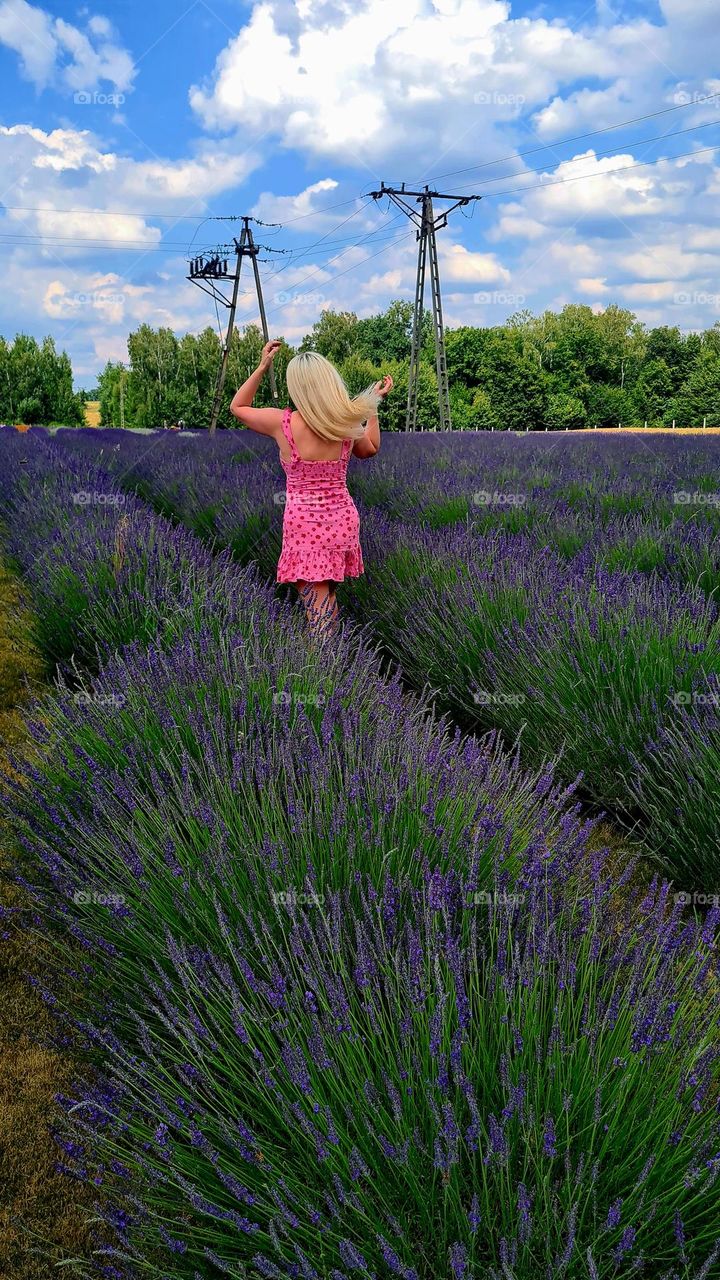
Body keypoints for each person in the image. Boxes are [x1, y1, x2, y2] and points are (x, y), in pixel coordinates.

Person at [230, 341, 392, 634]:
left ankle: (327, 672)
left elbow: (238, 407)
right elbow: (370, 450)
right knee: (326, 596)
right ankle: (334, 666)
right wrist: (372, 407)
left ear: (298, 388)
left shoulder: (284, 424)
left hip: (306, 526)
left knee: (318, 612)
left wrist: (263, 367)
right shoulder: (344, 421)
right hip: (341, 520)